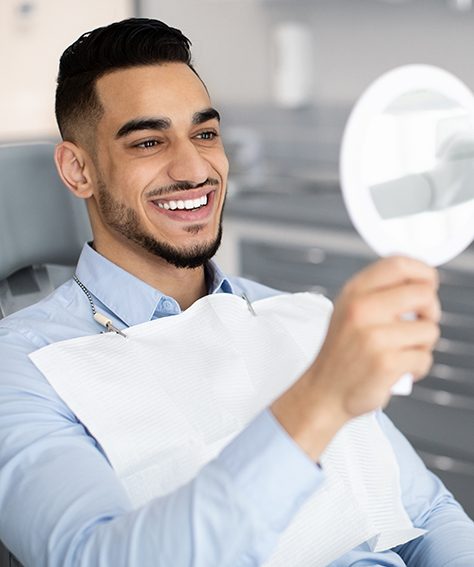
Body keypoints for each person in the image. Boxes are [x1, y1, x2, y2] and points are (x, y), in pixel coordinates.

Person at [0, 17, 473, 567]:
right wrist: (319, 398)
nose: (194, 167)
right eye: (149, 142)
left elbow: (428, 513)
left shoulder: (296, 315)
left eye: (204, 134)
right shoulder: (23, 367)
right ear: (78, 169)